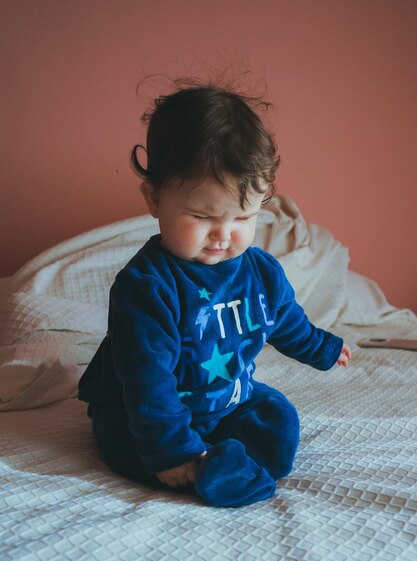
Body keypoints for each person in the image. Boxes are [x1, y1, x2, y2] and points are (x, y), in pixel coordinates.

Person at [78, 81, 352, 508]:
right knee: (126, 444)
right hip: (149, 413)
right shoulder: (147, 288)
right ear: (154, 199)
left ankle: (226, 459)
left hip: (227, 400)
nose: (224, 236)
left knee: (278, 419)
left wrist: (322, 348)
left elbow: (286, 320)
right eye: (201, 216)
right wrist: (171, 451)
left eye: (244, 216)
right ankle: (205, 469)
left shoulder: (260, 271)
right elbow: (147, 381)